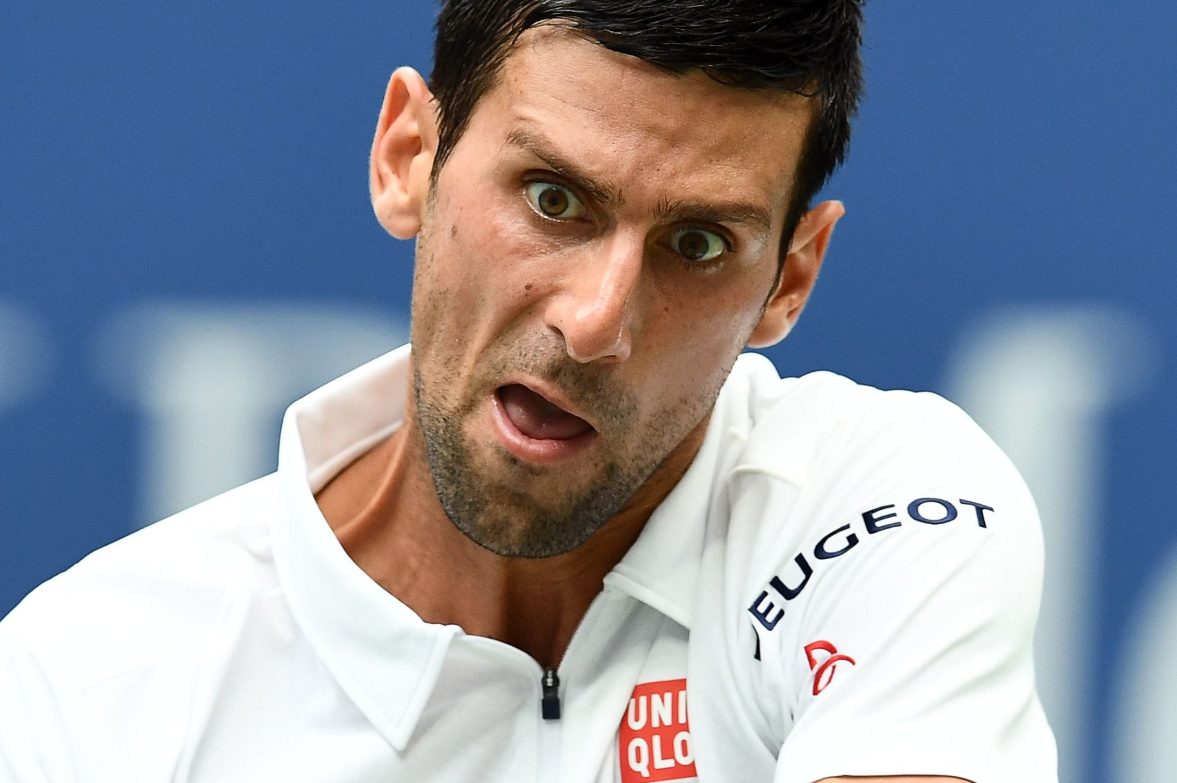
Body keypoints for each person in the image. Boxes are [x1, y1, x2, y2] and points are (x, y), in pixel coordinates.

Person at [0, 1, 1057, 780]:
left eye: (697, 243)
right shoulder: (83, 689)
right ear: (408, 156)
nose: (595, 322)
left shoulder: (882, 506)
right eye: (553, 199)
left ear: (789, 278)